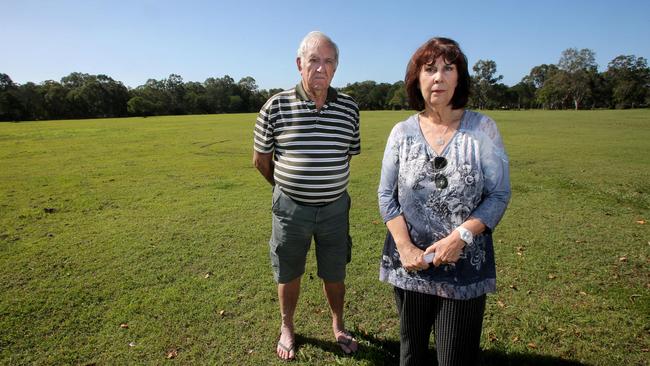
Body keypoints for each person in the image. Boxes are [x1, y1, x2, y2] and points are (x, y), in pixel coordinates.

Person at [377, 37, 511, 366]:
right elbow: (386, 195)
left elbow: (499, 193)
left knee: (454, 357)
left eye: (447, 69)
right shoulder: (401, 133)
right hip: (411, 267)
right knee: (411, 354)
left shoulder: (483, 129)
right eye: (429, 69)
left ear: (459, 78)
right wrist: (405, 248)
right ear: (417, 79)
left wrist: (461, 236)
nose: (438, 77)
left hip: (462, 268)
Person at [253, 31, 361, 361]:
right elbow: (260, 160)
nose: (320, 68)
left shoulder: (349, 109)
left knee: (335, 271)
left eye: (329, 61)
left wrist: (323, 183)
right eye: (314, 60)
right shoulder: (275, 106)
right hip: (291, 209)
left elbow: (347, 155)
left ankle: (338, 325)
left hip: (334, 209)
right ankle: (287, 327)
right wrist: (288, 188)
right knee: (288, 270)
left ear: (336, 68)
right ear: (300, 64)